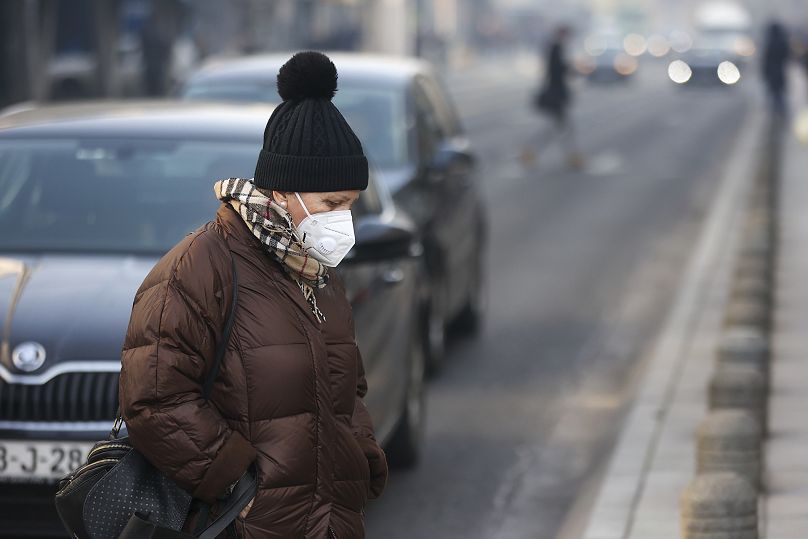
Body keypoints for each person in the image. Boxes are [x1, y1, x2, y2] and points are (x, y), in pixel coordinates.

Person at [119, 51, 388, 538]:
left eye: (350, 205)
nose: (342, 220)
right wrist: (234, 485)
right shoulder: (201, 266)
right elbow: (154, 399)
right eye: (331, 203)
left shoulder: (318, 272)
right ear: (282, 193)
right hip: (244, 525)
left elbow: (348, 391)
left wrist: (361, 456)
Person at [524, 25, 584, 170]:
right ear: (562, 34)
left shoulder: (554, 47)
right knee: (563, 128)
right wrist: (572, 69)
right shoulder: (556, 48)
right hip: (555, 95)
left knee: (560, 127)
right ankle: (571, 157)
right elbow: (557, 70)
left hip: (555, 94)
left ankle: (531, 151)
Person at [762, 21, 791, 117]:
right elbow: (787, 56)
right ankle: (781, 111)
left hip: (772, 72)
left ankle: (777, 112)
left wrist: (764, 73)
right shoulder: (783, 41)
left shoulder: (769, 42)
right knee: (779, 93)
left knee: (774, 94)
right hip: (780, 71)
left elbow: (766, 59)